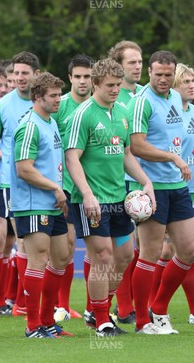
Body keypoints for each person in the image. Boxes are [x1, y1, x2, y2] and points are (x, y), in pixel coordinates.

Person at [66, 58, 155, 336]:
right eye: (109, 86)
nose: (115, 90)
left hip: (119, 198)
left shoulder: (123, 112)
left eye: (118, 85)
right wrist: (87, 194)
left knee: (125, 254)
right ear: (95, 84)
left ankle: (97, 307)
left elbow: (127, 155)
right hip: (91, 200)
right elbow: (72, 157)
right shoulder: (83, 114)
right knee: (102, 256)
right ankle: (103, 320)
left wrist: (145, 180)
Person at [128, 50, 194, 334]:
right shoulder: (141, 102)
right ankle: (142, 321)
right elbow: (137, 145)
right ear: (149, 72)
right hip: (151, 188)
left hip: (178, 187)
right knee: (151, 253)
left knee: (189, 251)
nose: (163, 80)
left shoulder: (174, 99)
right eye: (158, 74)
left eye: (168, 75)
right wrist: (172, 157)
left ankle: (158, 309)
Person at [149, 63, 194, 324]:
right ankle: (154, 307)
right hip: (172, 190)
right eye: (185, 81)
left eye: (193, 80)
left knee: (187, 251)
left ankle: (192, 310)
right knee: (167, 252)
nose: (191, 85)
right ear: (174, 87)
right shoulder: (167, 113)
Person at [10, 72, 73, 338]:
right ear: (37, 98)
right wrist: (55, 187)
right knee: (38, 261)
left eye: (60, 94)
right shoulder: (30, 125)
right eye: (53, 96)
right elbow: (24, 169)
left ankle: (48, 322)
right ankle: (33, 325)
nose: (59, 99)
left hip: (52, 203)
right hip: (33, 204)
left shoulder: (51, 122)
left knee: (61, 257)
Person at [0, 51, 38, 317]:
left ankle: (21, 303)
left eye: (24, 73)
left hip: (32, 186)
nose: (18, 78)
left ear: (35, 75)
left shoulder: (46, 103)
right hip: (4, 185)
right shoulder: (1, 106)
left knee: (25, 245)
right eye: (15, 73)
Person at [51, 54, 93, 322]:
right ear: (69, 78)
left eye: (87, 76)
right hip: (66, 189)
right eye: (77, 76)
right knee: (64, 250)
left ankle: (94, 307)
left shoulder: (100, 106)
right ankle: (61, 306)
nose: (82, 81)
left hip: (96, 189)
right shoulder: (59, 107)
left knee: (100, 252)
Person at [107, 40, 144, 324]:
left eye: (140, 61)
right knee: (123, 248)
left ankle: (141, 305)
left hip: (146, 180)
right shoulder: (113, 101)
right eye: (132, 62)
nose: (138, 66)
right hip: (119, 183)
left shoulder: (146, 95)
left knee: (147, 248)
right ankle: (123, 306)